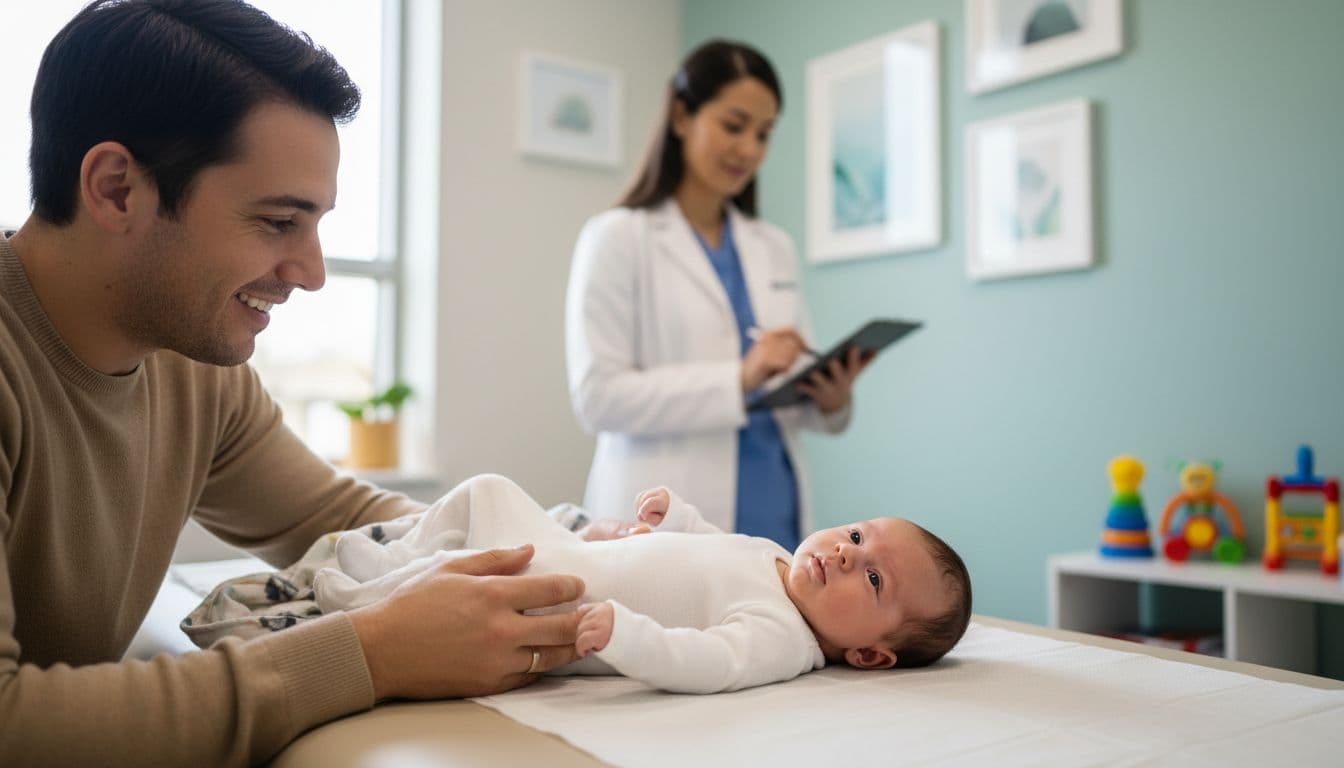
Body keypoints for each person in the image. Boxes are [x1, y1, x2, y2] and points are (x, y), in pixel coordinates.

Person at [0, 2, 600, 765]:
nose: (311, 273)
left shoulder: (189, 370)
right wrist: (373, 652)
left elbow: (339, 519)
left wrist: (563, 554)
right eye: (279, 221)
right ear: (118, 188)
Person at [185, 474, 973, 694]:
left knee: (457, 577)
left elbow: (702, 662)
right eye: (860, 535)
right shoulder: (770, 552)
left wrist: (621, 634)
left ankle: (358, 597)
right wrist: (674, 513)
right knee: (487, 491)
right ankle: (386, 561)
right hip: (569, 548)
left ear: (868, 655)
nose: (844, 553)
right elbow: (705, 544)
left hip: (559, 596)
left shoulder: (782, 639)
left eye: (872, 579)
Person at [565, 40, 872, 552]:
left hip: (777, 513)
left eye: (764, 134)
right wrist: (739, 377)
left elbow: (790, 390)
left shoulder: (773, 246)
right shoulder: (617, 237)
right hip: (661, 526)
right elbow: (598, 398)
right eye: (734, 126)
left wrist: (830, 399)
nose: (750, 149)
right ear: (682, 117)